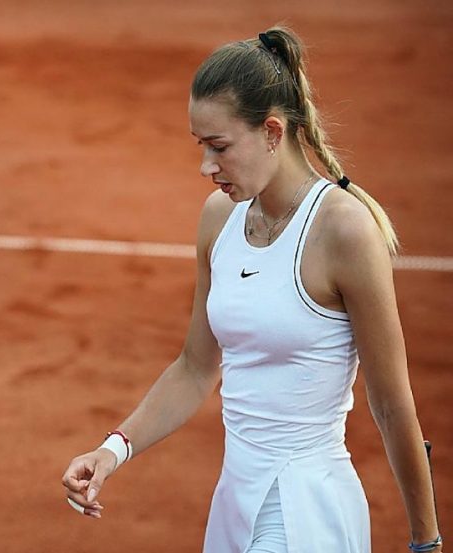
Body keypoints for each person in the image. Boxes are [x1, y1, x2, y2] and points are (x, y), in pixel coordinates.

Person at [61, 27, 442, 553]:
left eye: (219, 147)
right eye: (201, 146)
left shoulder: (345, 231)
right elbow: (196, 367)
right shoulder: (220, 219)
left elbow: (391, 402)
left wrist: (426, 540)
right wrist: (112, 450)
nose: (206, 167)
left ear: (271, 132)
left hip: (305, 513)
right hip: (235, 504)